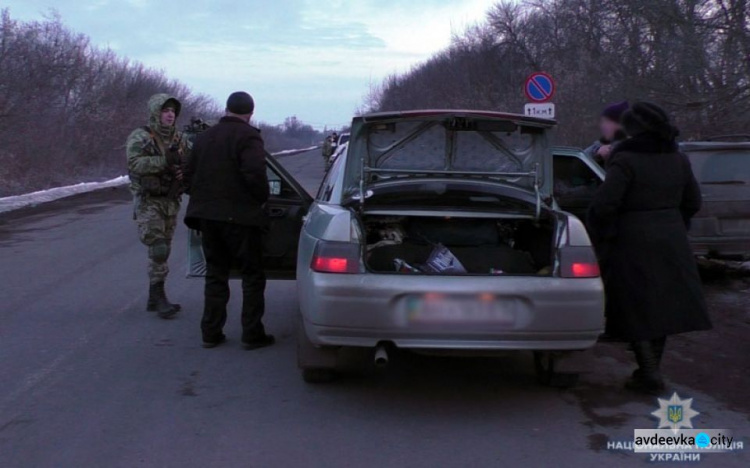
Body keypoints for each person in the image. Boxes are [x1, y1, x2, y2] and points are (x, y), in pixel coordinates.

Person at [587, 102, 712, 394]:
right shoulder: (678, 159)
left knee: (635, 305)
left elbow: (605, 205)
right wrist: (672, 225)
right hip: (671, 240)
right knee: (662, 305)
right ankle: (649, 370)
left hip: (632, 240)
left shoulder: (625, 158)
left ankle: (649, 371)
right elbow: (693, 202)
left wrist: (604, 233)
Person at [183, 91, 275, 350]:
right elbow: (255, 172)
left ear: (226, 109)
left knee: (215, 274)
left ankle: (211, 333)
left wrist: (205, 200)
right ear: (250, 113)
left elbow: (187, 176)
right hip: (242, 219)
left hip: (207, 218)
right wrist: (259, 199)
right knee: (252, 275)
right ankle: (252, 334)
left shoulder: (204, 138)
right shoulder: (249, 136)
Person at [126, 93, 191, 319]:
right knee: (158, 248)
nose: (170, 115)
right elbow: (134, 163)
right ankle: (158, 295)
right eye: (165, 111)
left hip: (171, 201)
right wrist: (163, 161)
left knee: (165, 248)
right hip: (149, 201)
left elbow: (191, 160)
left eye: (173, 111)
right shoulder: (142, 137)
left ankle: (155, 298)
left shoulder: (180, 139)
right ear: (156, 112)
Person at [584, 101, 629, 166]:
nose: (602, 126)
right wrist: (597, 154)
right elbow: (579, 160)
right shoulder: (600, 145)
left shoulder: (626, 150)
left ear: (619, 124)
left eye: (606, 122)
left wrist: (598, 157)